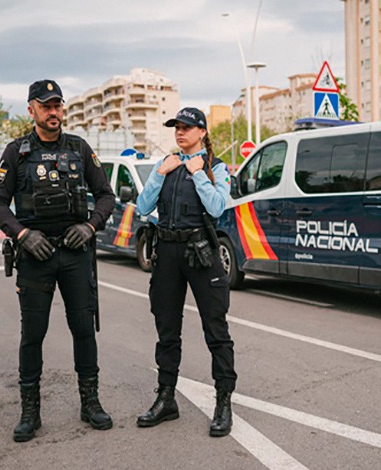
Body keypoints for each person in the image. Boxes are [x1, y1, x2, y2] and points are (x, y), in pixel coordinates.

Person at [0, 79, 116, 442]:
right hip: (35, 256)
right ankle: (30, 411)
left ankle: (90, 402)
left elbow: (105, 195)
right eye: (46, 105)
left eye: (58, 105)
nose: (54, 111)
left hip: (75, 254)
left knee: (83, 329)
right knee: (33, 334)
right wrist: (23, 235)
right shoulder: (17, 153)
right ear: (32, 109)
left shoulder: (78, 148)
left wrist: (91, 227)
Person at [135, 107, 237, 437]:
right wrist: (158, 174)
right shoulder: (167, 165)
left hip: (201, 253)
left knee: (216, 328)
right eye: (177, 127)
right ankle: (166, 399)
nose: (180, 132)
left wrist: (199, 174)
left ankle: (223, 402)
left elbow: (218, 207)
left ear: (202, 132)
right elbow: (142, 207)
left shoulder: (215, 168)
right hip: (166, 252)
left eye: (187, 127)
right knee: (166, 328)